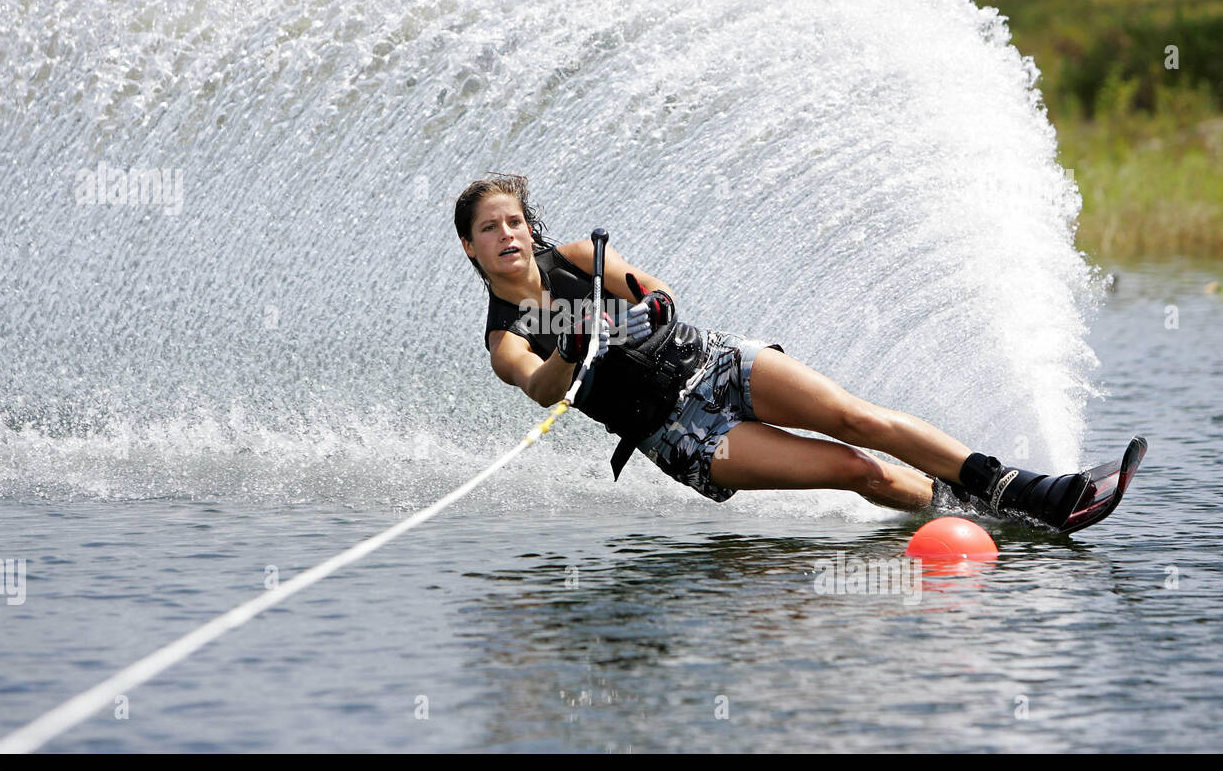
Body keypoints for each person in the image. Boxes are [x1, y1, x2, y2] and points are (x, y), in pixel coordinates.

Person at [454, 172, 1089, 526]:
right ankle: (964, 515)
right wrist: (568, 349)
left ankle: (1014, 490)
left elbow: (656, 291)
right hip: (683, 434)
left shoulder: (575, 257)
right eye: (490, 228)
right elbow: (540, 385)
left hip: (715, 362)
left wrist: (651, 307)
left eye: (513, 221)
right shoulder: (504, 335)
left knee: (857, 419)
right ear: (471, 248)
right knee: (854, 470)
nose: (507, 233)